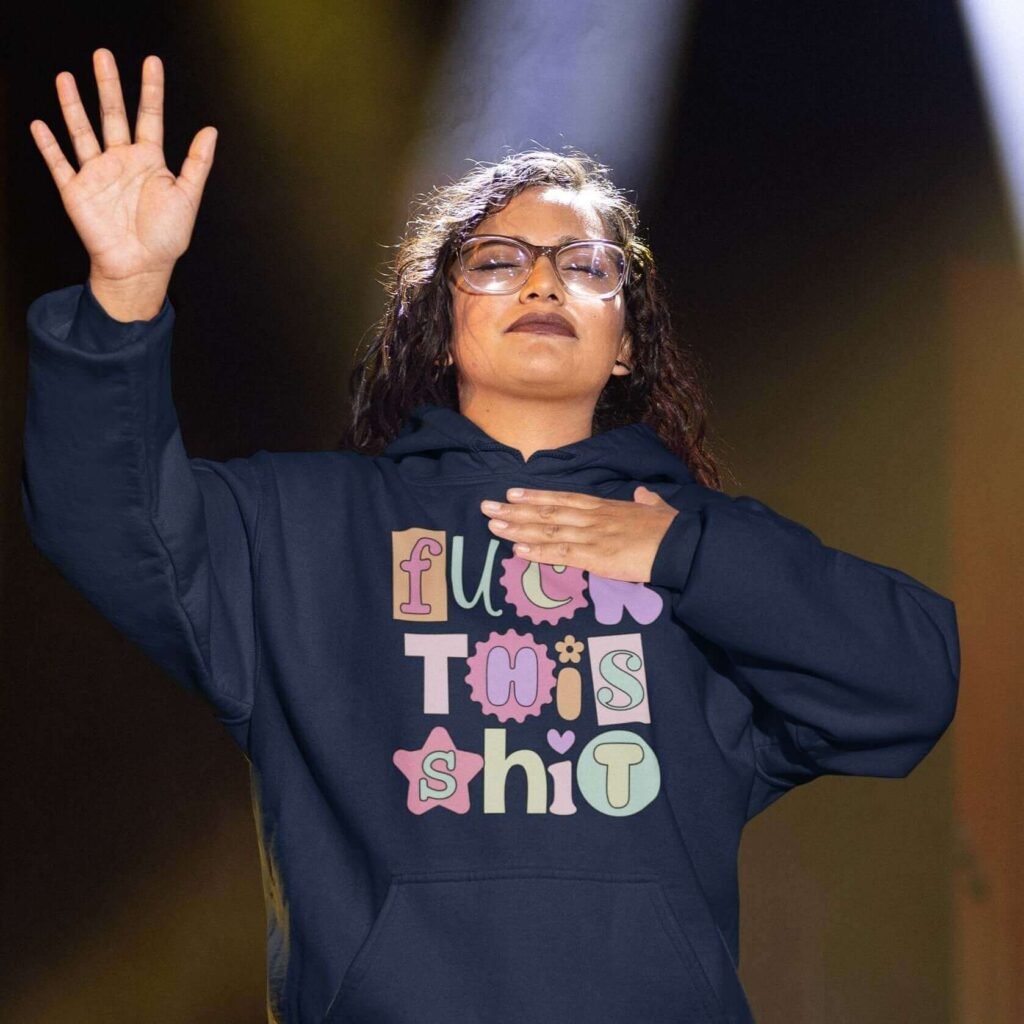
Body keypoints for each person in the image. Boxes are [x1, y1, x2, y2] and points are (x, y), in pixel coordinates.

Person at [23, 48, 960, 1024]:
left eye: (585, 265)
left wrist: (679, 556)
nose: (544, 284)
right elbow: (102, 516)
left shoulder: (700, 559)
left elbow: (910, 679)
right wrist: (123, 299)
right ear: (441, 321)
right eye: (500, 261)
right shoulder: (306, 532)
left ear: (628, 336)